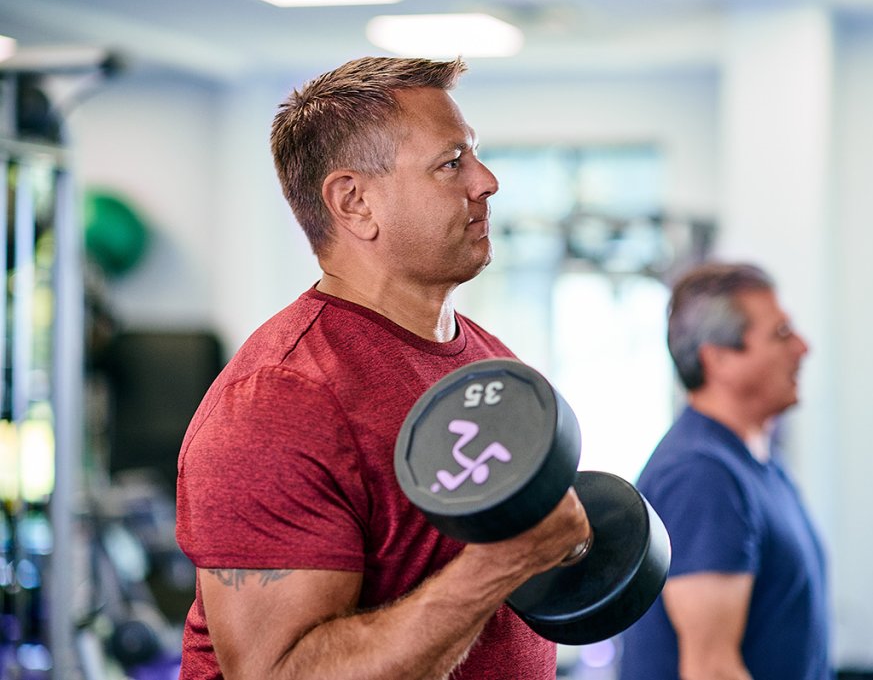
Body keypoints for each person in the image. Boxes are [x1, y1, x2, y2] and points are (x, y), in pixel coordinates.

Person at [174, 56, 591, 680]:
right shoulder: (278, 402)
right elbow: (277, 673)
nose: (487, 181)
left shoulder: (489, 361)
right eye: (452, 163)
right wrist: (499, 564)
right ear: (355, 202)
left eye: (474, 155)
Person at [619, 262, 833, 680]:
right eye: (782, 335)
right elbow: (711, 669)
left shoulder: (758, 465)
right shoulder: (702, 476)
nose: (803, 348)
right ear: (719, 360)